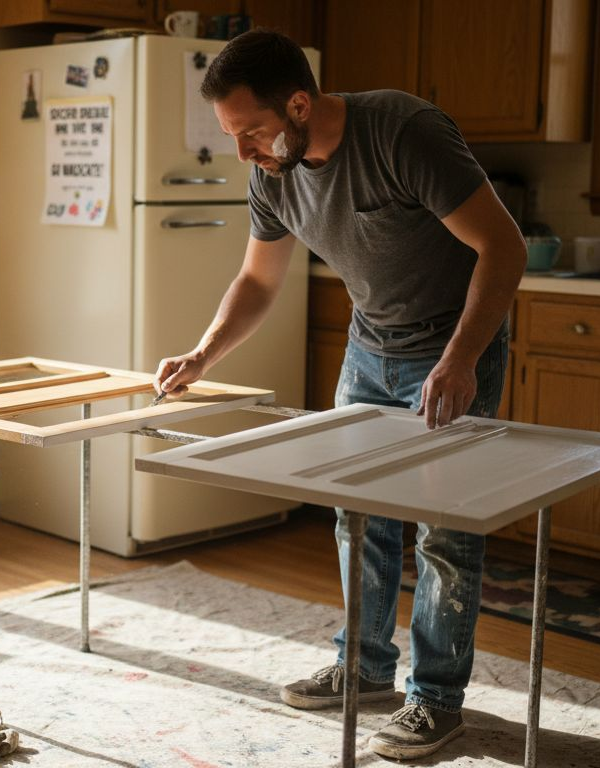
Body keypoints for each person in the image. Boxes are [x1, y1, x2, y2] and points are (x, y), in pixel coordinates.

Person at [151, 29, 525, 760]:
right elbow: (258, 281)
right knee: (358, 520)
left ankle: (436, 701)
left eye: (253, 132)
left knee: (445, 535)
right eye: (232, 137)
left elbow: (502, 246)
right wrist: (202, 352)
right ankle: (365, 669)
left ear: (299, 103)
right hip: (369, 351)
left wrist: (461, 358)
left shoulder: (402, 133)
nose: (245, 154)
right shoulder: (274, 172)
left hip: (451, 350)